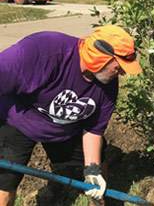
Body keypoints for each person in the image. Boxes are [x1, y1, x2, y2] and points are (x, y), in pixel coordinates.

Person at [0, 25, 142, 206]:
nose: (122, 73)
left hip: (66, 128)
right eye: (119, 67)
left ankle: (99, 203)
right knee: (5, 183)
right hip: (19, 120)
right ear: (101, 57)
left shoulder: (108, 86)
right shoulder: (44, 50)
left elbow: (93, 129)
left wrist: (92, 171)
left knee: (99, 164)